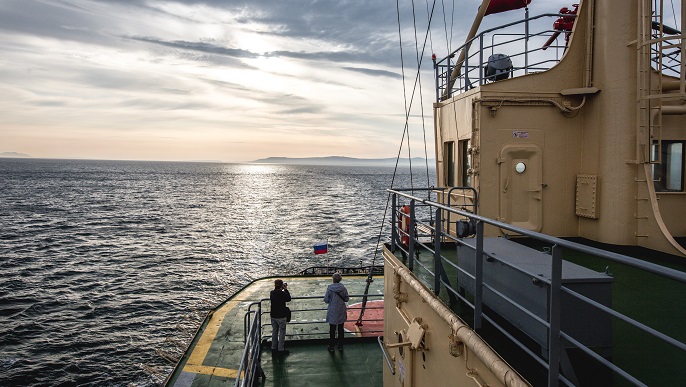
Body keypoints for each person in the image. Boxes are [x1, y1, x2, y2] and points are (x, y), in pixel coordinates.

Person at [324, 272, 349, 352]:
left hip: (333, 309)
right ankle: (340, 345)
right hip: (341, 309)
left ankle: (331, 346)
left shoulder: (330, 288)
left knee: (332, 329)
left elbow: (326, 300)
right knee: (341, 328)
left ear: (333, 280)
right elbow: (346, 299)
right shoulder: (343, 288)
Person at [270, 279, 291, 356]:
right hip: (281, 316)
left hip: (273, 315)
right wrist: (285, 289)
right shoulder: (282, 293)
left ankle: (273, 347)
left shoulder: (272, 293)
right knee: (282, 333)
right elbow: (288, 298)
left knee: (274, 332)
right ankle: (280, 349)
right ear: (281, 285)